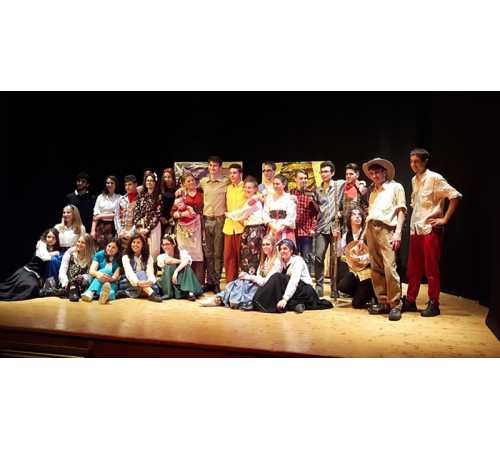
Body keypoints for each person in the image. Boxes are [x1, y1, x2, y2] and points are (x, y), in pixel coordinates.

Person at [402, 148, 462, 317]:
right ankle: (410, 300)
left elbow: (455, 196)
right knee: (413, 268)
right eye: (411, 161)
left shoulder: (435, 178)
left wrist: (444, 219)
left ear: (425, 161)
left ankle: (434, 302)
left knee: (431, 268)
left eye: (416, 161)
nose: (413, 165)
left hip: (430, 229)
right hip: (416, 228)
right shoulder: (414, 179)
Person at [362, 157, 407, 321]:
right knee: (376, 267)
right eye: (372, 173)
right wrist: (363, 236)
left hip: (387, 229)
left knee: (389, 267)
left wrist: (398, 232)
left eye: (377, 172)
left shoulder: (396, 187)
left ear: (385, 172)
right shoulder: (373, 191)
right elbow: (371, 213)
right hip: (371, 228)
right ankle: (382, 301)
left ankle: (395, 304)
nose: (374, 176)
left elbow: (401, 210)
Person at [198, 234, 282, 309]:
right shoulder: (265, 259)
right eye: (263, 245)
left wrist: (249, 277)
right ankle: (218, 298)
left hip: (266, 290)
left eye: (268, 244)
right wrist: (248, 277)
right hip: (260, 285)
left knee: (241, 284)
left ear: (273, 245)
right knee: (238, 282)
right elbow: (258, 276)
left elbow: (267, 282)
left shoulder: (277, 262)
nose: (265, 247)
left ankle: (219, 299)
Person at [252, 239, 333, 313]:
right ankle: (296, 305)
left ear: (291, 251)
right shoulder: (281, 262)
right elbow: (271, 279)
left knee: (278, 277)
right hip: (295, 291)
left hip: (305, 291)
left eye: (285, 249)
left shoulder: (297, 260)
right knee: (276, 279)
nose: (282, 251)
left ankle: (293, 304)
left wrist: (285, 299)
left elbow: (294, 282)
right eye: (280, 249)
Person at [313, 161, 345, 297]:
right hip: (321, 227)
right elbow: (316, 209)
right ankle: (319, 286)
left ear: (332, 173)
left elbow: (352, 184)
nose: (324, 174)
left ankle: (334, 288)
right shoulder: (317, 189)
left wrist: (341, 214)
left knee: (335, 260)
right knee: (318, 256)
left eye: (326, 171)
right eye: (322, 172)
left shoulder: (339, 185)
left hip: (334, 227)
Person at [0, 228, 61, 301]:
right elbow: (44, 257)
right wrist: (54, 253)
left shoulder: (52, 247)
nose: (51, 239)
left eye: (54, 238)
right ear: (45, 237)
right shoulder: (41, 243)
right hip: (29, 271)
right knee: (30, 286)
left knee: (33, 287)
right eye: (49, 237)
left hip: (36, 276)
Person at [199, 156, 229, 293]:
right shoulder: (203, 182)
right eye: (210, 165)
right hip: (206, 220)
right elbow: (191, 189)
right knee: (208, 253)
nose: (212, 168)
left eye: (215, 165)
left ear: (220, 167)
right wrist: (181, 190)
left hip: (219, 220)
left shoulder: (226, 181)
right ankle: (209, 281)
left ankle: (216, 281)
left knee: (218, 252)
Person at [225, 176, 266, 276]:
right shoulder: (251, 200)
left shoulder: (254, 200)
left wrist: (229, 214)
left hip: (255, 230)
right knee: (247, 256)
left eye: (250, 187)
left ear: (255, 189)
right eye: (246, 187)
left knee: (251, 258)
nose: (247, 190)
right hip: (249, 229)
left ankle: (250, 281)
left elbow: (242, 213)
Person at [337, 208, 375, 309]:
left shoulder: (367, 233)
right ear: (349, 218)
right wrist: (338, 238)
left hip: (367, 272)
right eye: (354, 214)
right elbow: (339, 254)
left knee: (356, 304)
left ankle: (370, 293)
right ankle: (360, 293)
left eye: (359, 215)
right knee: (342, 286)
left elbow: (373, 253)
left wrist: (361, 258)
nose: (357, 217)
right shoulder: (346, 235)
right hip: (354, 271)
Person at [171, 173, 205, 285]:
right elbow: (173, 212)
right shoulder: (181, 195)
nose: (191, 182)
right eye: (188, 181)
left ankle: (198, 283)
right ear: (183, 184)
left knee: (197, 252)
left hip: (197, 226)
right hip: (183, 228)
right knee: (185, 252)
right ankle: (185, 282)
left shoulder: (201, 193)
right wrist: (182, 214)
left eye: (192, 180)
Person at [156, 235, 203, 300]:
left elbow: (186, 260)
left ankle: (190, 292)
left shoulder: (181, 252)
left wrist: (176, 271)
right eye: (163, 245)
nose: (165, 247)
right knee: (169, 266)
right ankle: (189, 292)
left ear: (173, 245)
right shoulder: (161, 256)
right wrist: (181, 261)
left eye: (167, 244)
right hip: (168, 282)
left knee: (187, 267)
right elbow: (169, 261)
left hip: (179, 280)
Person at [290, 169, 318, 274]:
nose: (304, 180)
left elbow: (316, 213)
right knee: (293, 258)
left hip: (306, 232)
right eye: (301, 178)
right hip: (293, 231)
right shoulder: (291, 193)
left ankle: (306, 281)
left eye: (305, 178)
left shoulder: (311, 193)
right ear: (295, 179)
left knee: (306, 258)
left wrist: (313, 228)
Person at [222, 163, 246, 283]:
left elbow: (258, 196)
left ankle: (242, 283)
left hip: (242, 226)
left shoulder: (246, 187)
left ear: (240, 174)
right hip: (229, 226)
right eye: (230, 173)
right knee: (228, 257)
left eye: (234, 173)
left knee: (241, 257)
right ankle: (230, 284)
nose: (232, 175)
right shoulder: (228, 188)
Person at [120, 234, 162, 302]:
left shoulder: (148, 257)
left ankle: (130, 293)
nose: (135, 244)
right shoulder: (125, 257)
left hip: (145, 282)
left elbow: (150, 272)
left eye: (138, 242)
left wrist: (150, 281)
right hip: (130, 282)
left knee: (156, 289)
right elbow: (129, 273)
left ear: (143, 245)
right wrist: (138, 282)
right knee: (141, 274)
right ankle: (151, 293)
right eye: (133, 242)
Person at [80, 239, 122, 304]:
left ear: (118, 250)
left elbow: (115, 277)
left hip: (110, 281)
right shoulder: (99, 254)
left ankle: (93, 293)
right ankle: (93, 292)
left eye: (113, 247)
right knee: (106, 270)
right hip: (96, 279)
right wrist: (99, 275)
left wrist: (108, 279)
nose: (110, 249)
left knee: (111, 291)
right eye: (109, 246)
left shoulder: (120, 259)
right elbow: (91, 271)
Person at [134, 172, 163, 258]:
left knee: (153, 251)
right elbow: (137, 211)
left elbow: (158, 214)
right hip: (141, 225)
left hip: (154, 225)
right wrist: (139, 227)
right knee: (140, 249)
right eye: (147, 180)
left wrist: (148, 229)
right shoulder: (141, 195)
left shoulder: (158, 196)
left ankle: (152, 266)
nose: (149, 182)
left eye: (151, 180)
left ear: (155, 183)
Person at [58, 233, 95, 301]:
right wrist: (65, 282)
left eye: (83, 243)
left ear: (88, 245)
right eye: (78, 241)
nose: (79, 244)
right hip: (67, 283)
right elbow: (62, 271)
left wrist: (84, 277)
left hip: (82, 284)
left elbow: (90, 275)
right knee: (70, 285)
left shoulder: (92, 258)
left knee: (82, 281)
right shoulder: (70, 253)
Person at [263, 174, 297, 243]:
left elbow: (291, 215)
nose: (275, 186)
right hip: (272, 229)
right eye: (274, 184)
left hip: (285, 230)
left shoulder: (290, 198)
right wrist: (272, 227)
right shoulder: (269, 198)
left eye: (277, 184)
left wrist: (280, 229)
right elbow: (265, 213)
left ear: (284, 184)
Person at [91, 175, 121, 250]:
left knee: (110, 248)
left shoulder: (119, 197)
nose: (109, 185)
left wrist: (101, 216)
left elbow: (117, 214)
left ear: (116, 184)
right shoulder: (100, 197)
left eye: (112, 183)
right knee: (98, 248)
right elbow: (95, 215)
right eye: (107, 183)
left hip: (113, 226)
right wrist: (92, 230)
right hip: (100, 226)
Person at [115, 174, 139, 252]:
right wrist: (120, 231)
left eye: (130, 184)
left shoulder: (140, 199)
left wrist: (131, 232)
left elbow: (140, 218)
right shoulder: (121, 199)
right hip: (121, 233)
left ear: (135, 184)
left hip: (134, 234)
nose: (127, 187)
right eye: (126, 185)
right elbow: (116, 216)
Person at [340, 163, 369, 228]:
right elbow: (345, 209)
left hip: (358, 225)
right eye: (347, 174)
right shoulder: (343, 188)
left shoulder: (362, 190)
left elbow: (366, 209)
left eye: (351, 174)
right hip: (345, 226)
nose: (348, 176)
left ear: (357, 175)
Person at [159, 168, 177, 237]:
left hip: (173, 220)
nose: (167, 179)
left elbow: (178, 205)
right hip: (160, 220)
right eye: (165, 177)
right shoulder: (159, 189)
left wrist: (171, 218)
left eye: (169, 177)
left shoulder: (177, 190)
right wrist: (160, 217)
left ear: (173, 178)